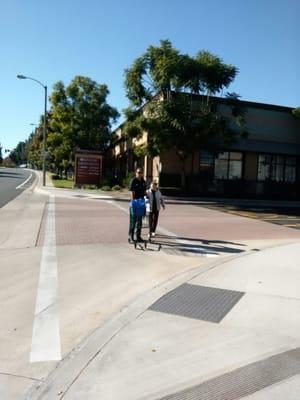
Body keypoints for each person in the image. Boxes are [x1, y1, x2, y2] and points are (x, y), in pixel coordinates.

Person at [129, 168, 147, 242]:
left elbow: (145, 192)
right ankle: (131, 236)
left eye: (141, 172)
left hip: (141, 202)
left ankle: (138, 236)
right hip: (135, 202)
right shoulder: (133, 181)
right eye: (138, 172)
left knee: (140, 221)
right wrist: (133, 201)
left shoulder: (143, 181)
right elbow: (132, 192)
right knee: (133, 220)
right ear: (136, 173)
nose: (139, 174)